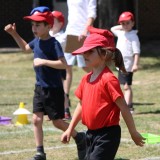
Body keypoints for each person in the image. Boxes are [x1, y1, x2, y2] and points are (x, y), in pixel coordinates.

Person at [4, 6, 86, 160]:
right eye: (32, 25)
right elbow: (25, 49)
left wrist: (43, 61)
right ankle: (40, 152)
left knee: (57, 123)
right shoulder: (36, 41)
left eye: (38, 25)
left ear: (48, 26)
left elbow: (63, 64)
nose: (34, 28)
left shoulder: (53, 43)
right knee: (36, 119)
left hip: (53, 89)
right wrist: (14, 33)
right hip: (39, 87)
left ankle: (79, 137)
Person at [61, 26, 145, 160]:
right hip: (90, 134)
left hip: (107, 136)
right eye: (84, 52)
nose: (85, 55)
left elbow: (124, 108)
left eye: (90, 52)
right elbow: (81, 105)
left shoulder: (109, 79)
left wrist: (133, 132)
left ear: (104, 54)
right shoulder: (85, 79)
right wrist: (70, 129)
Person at [63, 0, 97, 112]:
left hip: (83, 33)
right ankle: (65, 102)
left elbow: (92, 14)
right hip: (71, 32)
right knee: (67, 66)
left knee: (85, 66)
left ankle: (102, 85)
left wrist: (85, 30)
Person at [111, 11, 140, 113]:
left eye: (128, 23)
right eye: (123, 23)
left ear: (133, 23)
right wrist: (122, 26)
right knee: (124, 85)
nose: (125, 25)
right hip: (120, 64)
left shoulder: (133, 36)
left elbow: (136, 52)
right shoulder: (121, 33)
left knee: (127, 86)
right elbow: (112, 29)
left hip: (128, 65)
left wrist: (136, 64)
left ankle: (129, 106)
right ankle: (128, 105)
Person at [49, 10, 72, 120]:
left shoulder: (62, 37)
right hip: (48, 67)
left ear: (61, 23)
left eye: (53, 21)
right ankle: (51, 112)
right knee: (50, 90)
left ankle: (66, 111)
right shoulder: (47, 34)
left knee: (60, 91)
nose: (51, 23)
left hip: (58, 66)